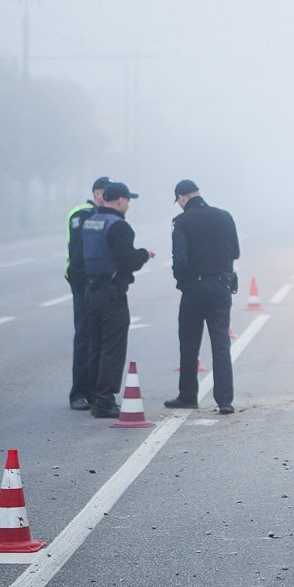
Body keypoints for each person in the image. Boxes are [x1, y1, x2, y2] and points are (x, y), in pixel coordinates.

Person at [165, 179, 241, 414]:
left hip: (194, 289)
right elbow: (236, 252)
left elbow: (180, 260)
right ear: (197, 193)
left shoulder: (182, 222)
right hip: (221, 287)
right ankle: (225, 400)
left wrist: (183, 281)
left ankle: (188, 396)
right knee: (220, 343)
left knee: (189, 343)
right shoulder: (225, 216)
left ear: (181, 198)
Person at [81, 182, 155, 419]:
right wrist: (143, 254)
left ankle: (93, 395)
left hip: (91, 289)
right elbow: (127, 261)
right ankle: (105, 400)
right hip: (111, 292)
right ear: (120, 201)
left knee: (96, 345)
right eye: (128, 201)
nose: (129, 206)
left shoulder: (91, 222)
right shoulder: (120, 226)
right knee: (113, 347)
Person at [64, 176, 111, 410]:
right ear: (96, 193)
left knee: (101, 338)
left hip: (101, 285)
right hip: (83, 284)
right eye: (106, 193)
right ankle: (79, 393)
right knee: (85, 337)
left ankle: (97, 391)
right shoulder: (82, 214)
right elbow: (79, 252)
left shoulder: (107, 215)